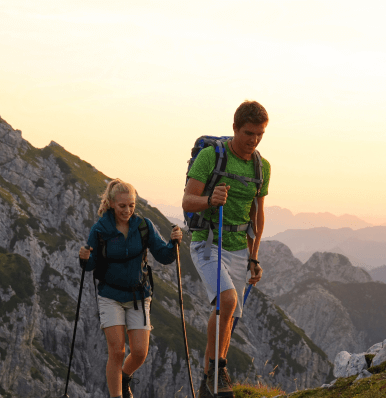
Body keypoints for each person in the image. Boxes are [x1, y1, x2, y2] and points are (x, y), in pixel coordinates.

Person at [182, 100, 270, 398]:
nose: (253, 140)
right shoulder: (210, 157)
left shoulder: (262, 167)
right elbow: (187, 201)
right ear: (234, 128)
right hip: (207, 242)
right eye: (248, 133)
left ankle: (210, 379)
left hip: (239, 249)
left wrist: (254, 256)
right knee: (228, 301)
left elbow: (257, 215)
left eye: (259, 134)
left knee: (227, 314)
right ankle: (218, 369)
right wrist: (210, 199)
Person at [79, 179, 182, 398]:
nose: (127, 210)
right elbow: (90, 266)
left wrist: (174, 244)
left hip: (139, 295)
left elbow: (163, 256)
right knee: (117, 351)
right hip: (110, 296)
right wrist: (84, 258)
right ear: (111, 204)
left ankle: (124, 377)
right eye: (122, 206)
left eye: (131, 205)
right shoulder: (100, 230)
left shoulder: (144, 226)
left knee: (140, 353)